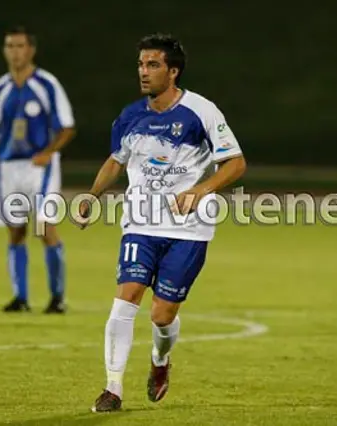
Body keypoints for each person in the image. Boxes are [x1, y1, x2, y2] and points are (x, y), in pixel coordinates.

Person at [75, 33, 247, 412]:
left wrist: (201, 190)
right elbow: (116, 160)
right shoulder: (130, 116)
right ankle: (112, 388)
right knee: (126, 298)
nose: (144, 71)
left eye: (153, 65)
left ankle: (159, 359)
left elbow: (235, 163)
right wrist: (92, 195)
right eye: (140, 64)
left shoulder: (201, 111)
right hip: (139, 224)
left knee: (162, 313)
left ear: (173, 71)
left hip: (188, 230)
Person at [0, 26, 76, 314]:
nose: (15, 51)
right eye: (10, 46)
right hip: (8, 168)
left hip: (38, 167)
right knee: (15, 232)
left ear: (31, 50)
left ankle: (57, 298)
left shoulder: (46, 84)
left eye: (20, 46)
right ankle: (20, 298)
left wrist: (48, 153)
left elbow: (67, 127)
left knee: (45, 227)